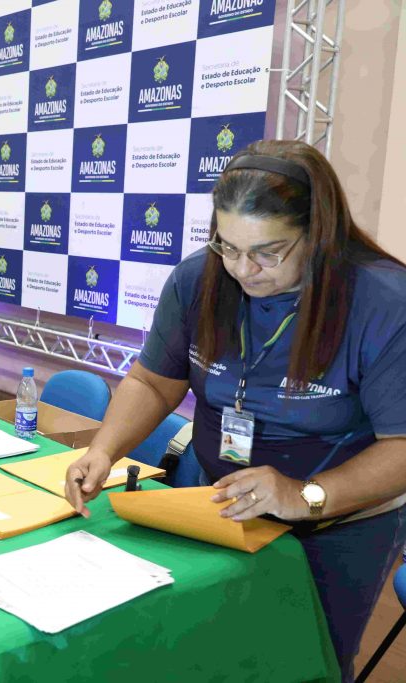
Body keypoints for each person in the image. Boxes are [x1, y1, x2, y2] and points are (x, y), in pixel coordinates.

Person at [62, 140, 406, 681]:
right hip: (218, 507)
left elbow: (402, 448)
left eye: (268, 252)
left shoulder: (384, 302)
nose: (244, 270)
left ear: (318, 234)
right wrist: (105, 450)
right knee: (201, 648)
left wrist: (303, 494)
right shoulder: (199, 278)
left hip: (336, 528)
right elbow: (153, 381)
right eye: (228, 246)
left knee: (301, 663)